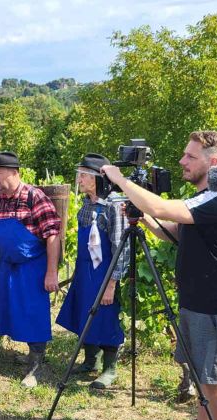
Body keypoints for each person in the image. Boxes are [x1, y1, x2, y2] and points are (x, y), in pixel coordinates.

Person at [100, 131, 217, 420]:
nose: (182, 161)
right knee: (200, 372)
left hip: (215, 303)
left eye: (190, 156)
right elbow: (177, 231)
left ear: (214, 162)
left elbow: (165, 207)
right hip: (196, 299)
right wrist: (145, 219)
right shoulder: (203, 197)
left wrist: (119, 179)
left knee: (215, 379)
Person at [0, 151, 61, 388]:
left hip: (33, 265)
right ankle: (30, 354)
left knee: (33, 312)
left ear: (14, 173)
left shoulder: (35, 197)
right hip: (8, 265)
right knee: (13, 310)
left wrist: (51, 272)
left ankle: (36, 365)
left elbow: (52, 236)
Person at [56, 154, 129, 389]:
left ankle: (110, 368)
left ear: (98, 179)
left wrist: (111, 283)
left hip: (104, 273)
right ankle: (91, 360)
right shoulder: (87, 204)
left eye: (84, 175)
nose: (79, 180)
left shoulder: (115, 206)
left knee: (105, 317)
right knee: (84, 312)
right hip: (85, 270)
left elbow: (120, 247)